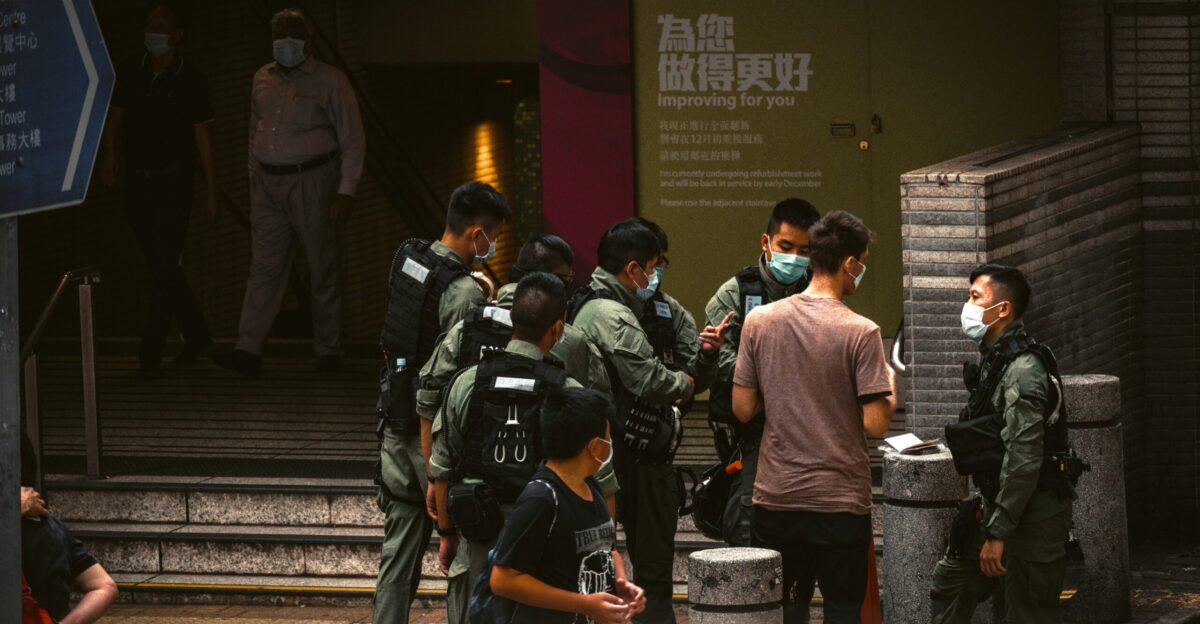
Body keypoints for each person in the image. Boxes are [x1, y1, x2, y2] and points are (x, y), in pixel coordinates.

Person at [731, 210, 896, 624]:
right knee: (842, 607)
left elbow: (743, 408)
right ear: (850, 264)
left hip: (776, 496)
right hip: (839, 502)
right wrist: (889, 388)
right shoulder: (862, 332)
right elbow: (875, 424)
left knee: (786, 606)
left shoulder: (760, 322)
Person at [430, 272, 619, 624]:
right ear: (558, 329)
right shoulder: (569, 394)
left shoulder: (467, 382)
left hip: (477, 531)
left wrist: (446, 534)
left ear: (510, 320)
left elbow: (442, 468)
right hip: (548, 546)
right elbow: (602, 479)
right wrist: (605, 551)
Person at [567, 219, 728, 624]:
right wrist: (682, 383)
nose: (657, 274)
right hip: (604, 457)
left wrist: (706, 357)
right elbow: (654, 380)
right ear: (633, 267)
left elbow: (695, 368)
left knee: (653, 573)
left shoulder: (663, 309)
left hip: (650, 460)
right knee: (597, 568)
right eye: (655, 264)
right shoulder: (602, 311)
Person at [370, 181, 510, 623]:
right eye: (494, 238)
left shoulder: (407, 259)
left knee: (398, 552)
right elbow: (456, 374)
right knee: (460, 552)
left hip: (393, 423)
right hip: (432, 440)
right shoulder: (466, 292)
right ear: (476, 235)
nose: (493, 246)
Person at [213, 8, 366, 378]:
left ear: (308, 41)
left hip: (312, 180)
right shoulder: (261, 78)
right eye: (279, 35)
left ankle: (328, 350)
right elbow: (256, 129)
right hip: (268, 184)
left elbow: (353, 139)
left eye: (292, 35)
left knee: (322, 265)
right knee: (263, 267)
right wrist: (253, 174)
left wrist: (345, 190)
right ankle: (248, 348)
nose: (285, 42)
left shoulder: (331, 81)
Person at [930, 264, 1078, 624]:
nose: (967, 305)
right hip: (998, 504)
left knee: (1026, 612)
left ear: (1004, 309)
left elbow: (1024, 458)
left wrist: (998, 534)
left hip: (1031, 514)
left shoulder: (1023, 370)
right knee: (949, 583)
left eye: (975, 297)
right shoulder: (996, 359)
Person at [99, 1, 216, 378]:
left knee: (166, 263)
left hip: (175, 180)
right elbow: (115, 117)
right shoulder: (131, 70)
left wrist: (212, 187)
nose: (153, 31)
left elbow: (202, 136)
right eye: (150, 24)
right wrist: (110, 157)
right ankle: (197, 335)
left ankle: (149, 355)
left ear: (178, 34)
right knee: (163, 265)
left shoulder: (191, 78)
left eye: (162, 26)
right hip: (139, 180)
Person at [704, 198, 820, 547]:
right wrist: (774, 376)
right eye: (786, 247)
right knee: (748, 518)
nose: (795, 258)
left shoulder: (817, 289)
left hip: (804, 431)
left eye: (805, 250)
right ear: (766, 242)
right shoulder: (735, 293)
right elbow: (721, 360)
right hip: (750, 430)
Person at [485, 387, 647, 624]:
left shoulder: (590, 485)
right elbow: (502, 579)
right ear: (594, 447)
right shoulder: (541, 499)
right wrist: (582, 604)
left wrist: (621, 582)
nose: (611, 443)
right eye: (608, 436)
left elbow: (606, 548)